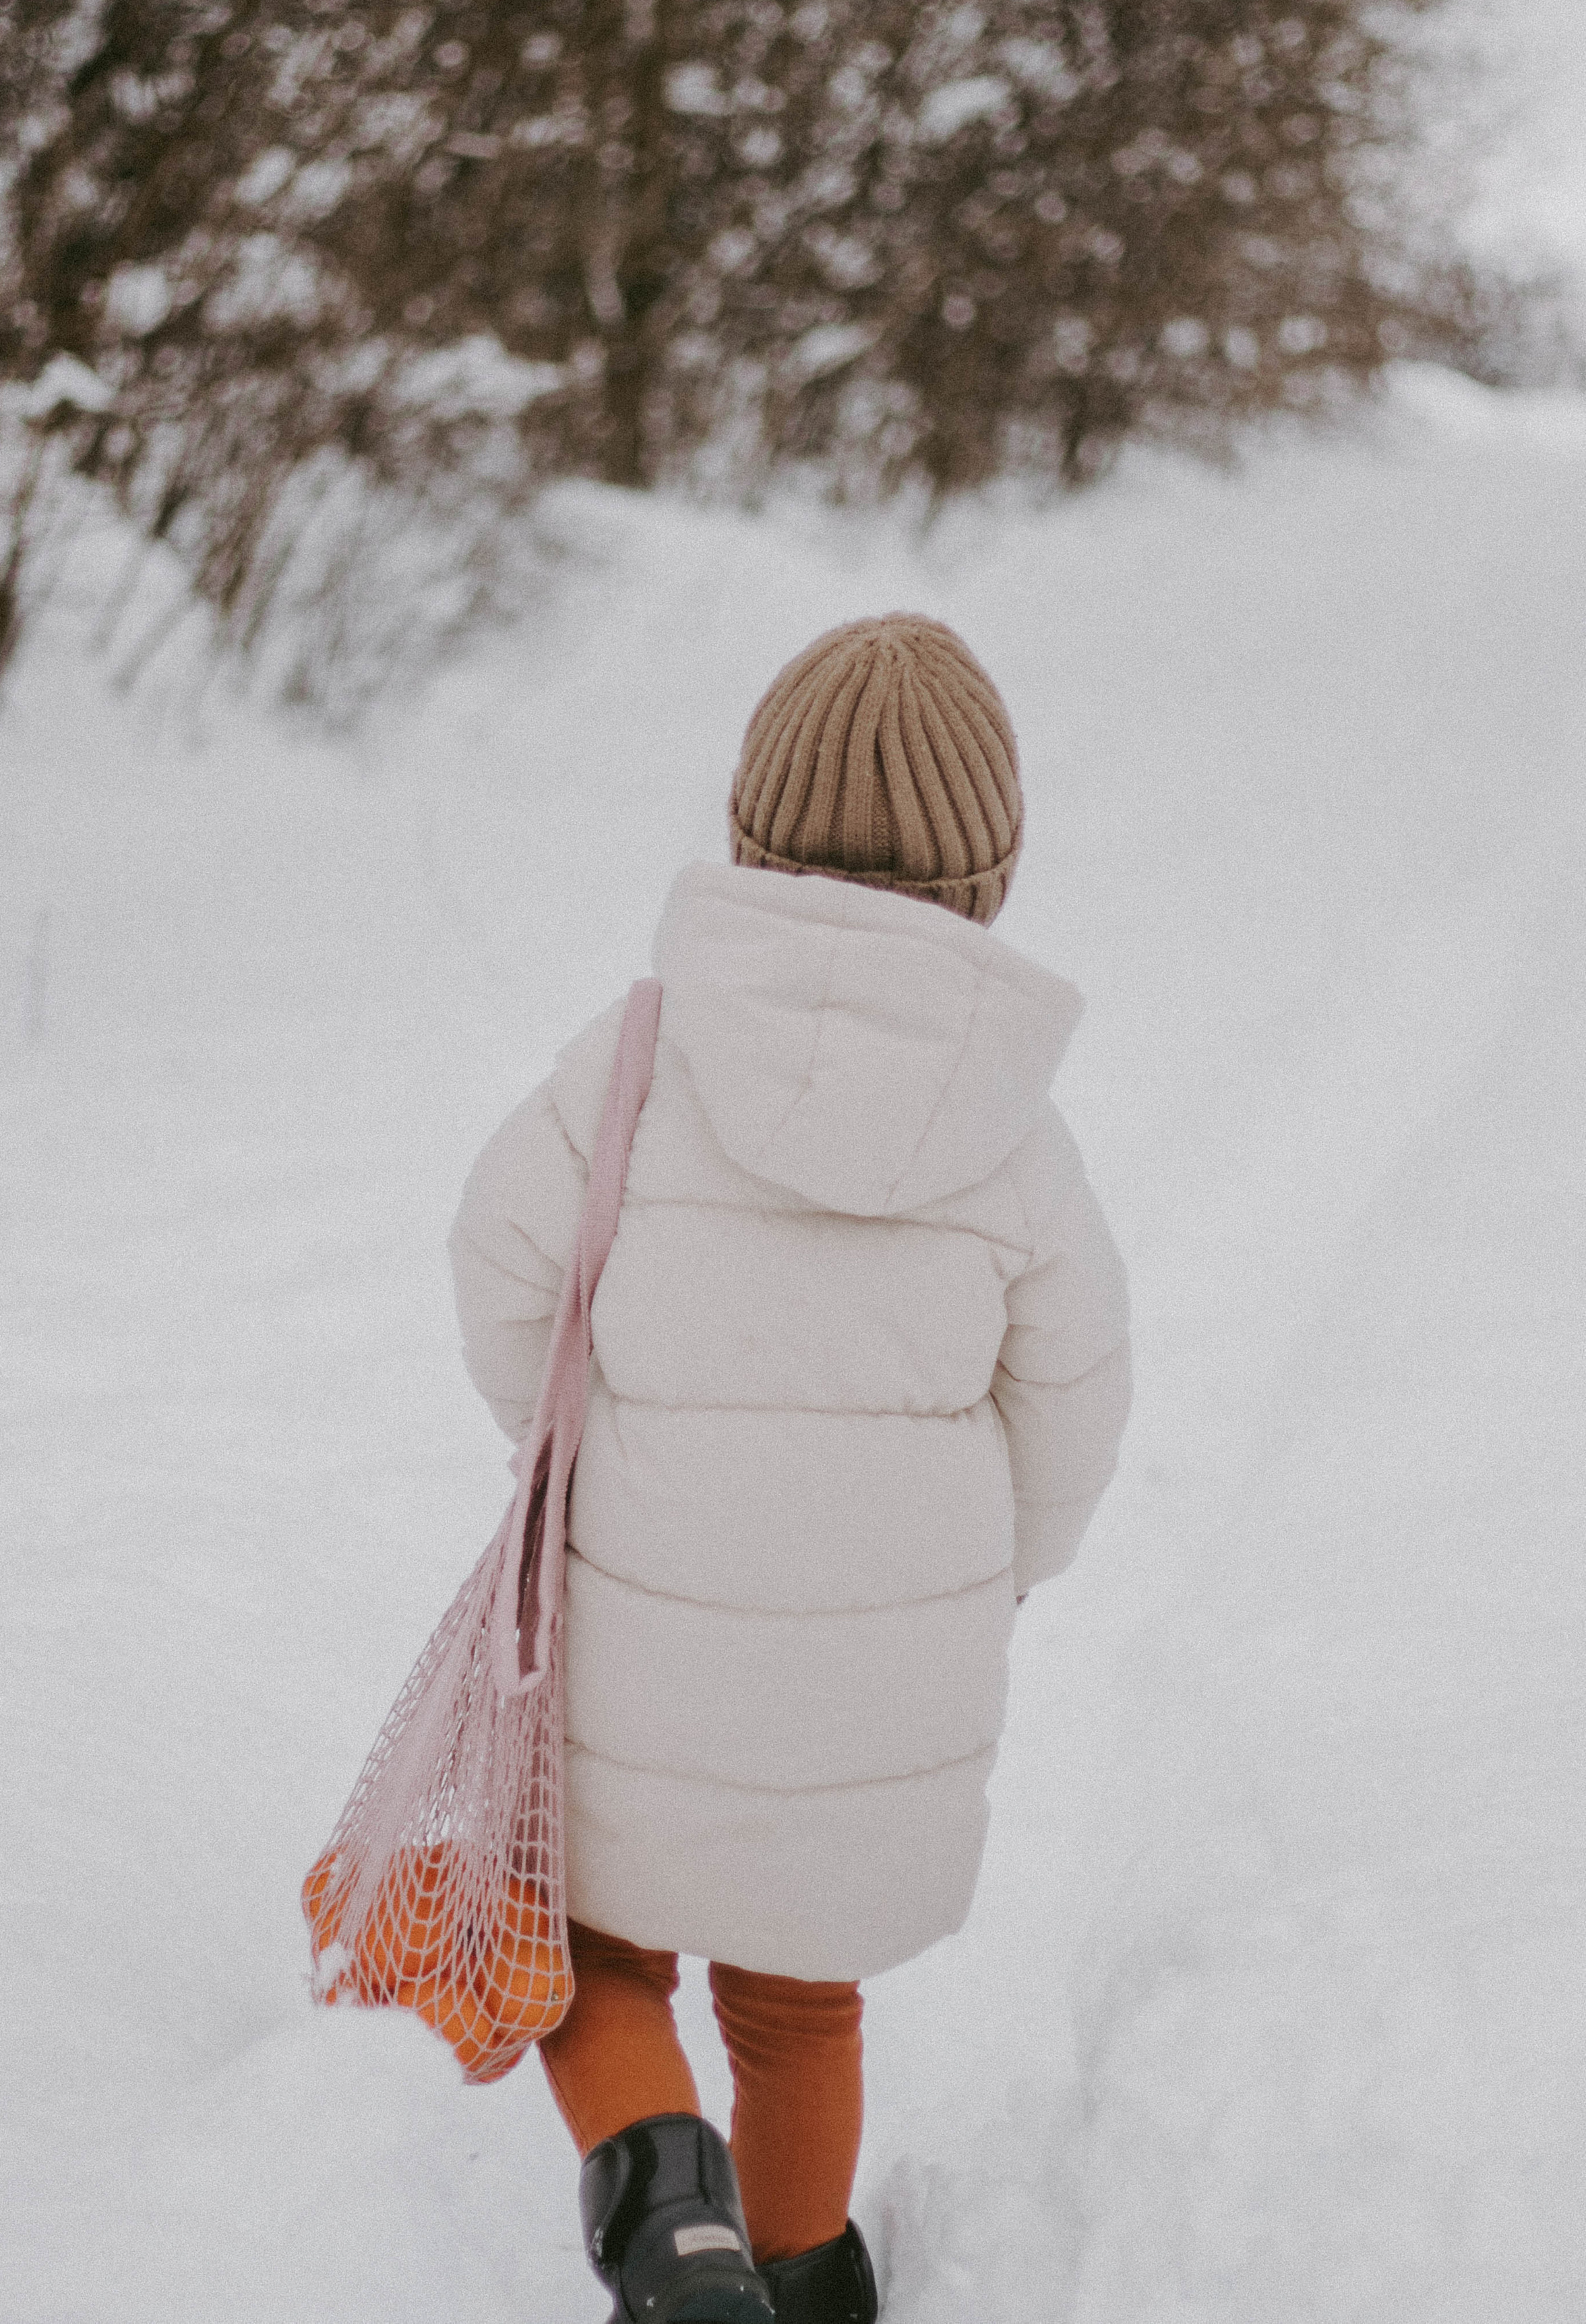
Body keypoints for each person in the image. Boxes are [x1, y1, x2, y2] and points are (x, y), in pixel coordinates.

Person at [449, 615, 1130, 2324]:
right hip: (874, 1688)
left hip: (642, 1645)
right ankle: (806, 2275)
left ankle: (672, 2233)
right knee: (799, 1998)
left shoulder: (632, 1062)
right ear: (990, 878)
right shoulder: (1021, 1148)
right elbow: (1072, 1419)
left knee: (594, 1952)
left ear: (749, 831)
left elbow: (499, 1275)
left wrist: (580, 1462)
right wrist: (996, 1575)